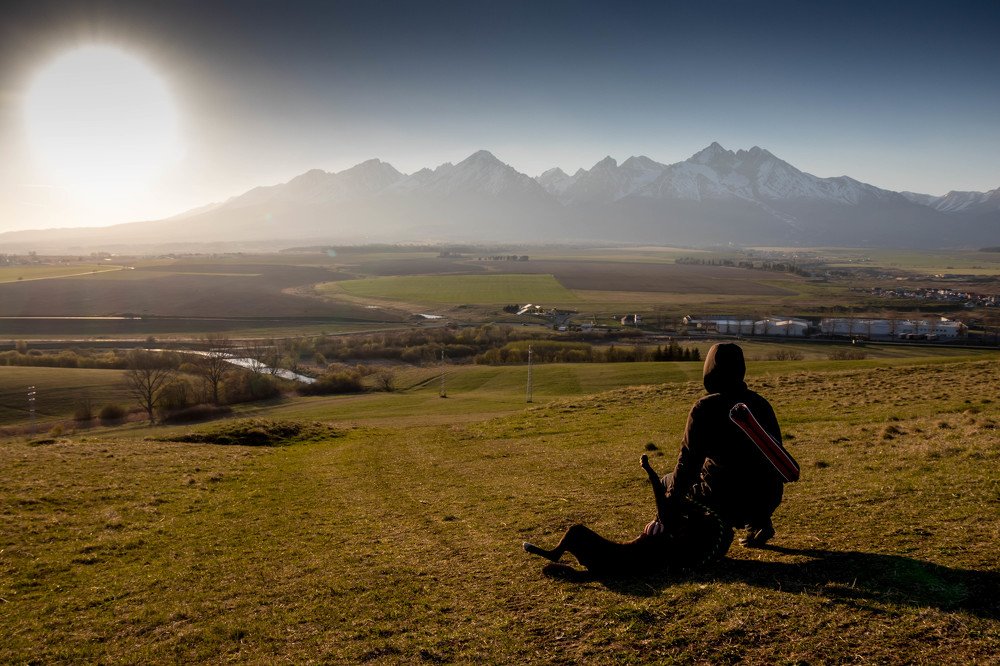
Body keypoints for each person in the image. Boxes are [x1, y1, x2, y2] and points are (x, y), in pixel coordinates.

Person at [522, 454, 733, 576]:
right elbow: (664, 508)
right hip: (619, 560)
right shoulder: (678, 539)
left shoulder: (674, 529)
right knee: (580, 539)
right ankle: (560, 559)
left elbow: (661, 500)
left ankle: (555, 554)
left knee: (576, 530)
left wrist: (649, 471)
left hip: (616, 558)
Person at [663, 342, 786, 547]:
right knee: (748, 472)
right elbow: (773, 456)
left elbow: (688, 463)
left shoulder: (705, 407)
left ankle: (701, 534)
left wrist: (670, 499)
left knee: (665, 482)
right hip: (767, 495)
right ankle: (757, 522)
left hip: (724, 496)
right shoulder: (761, 404)